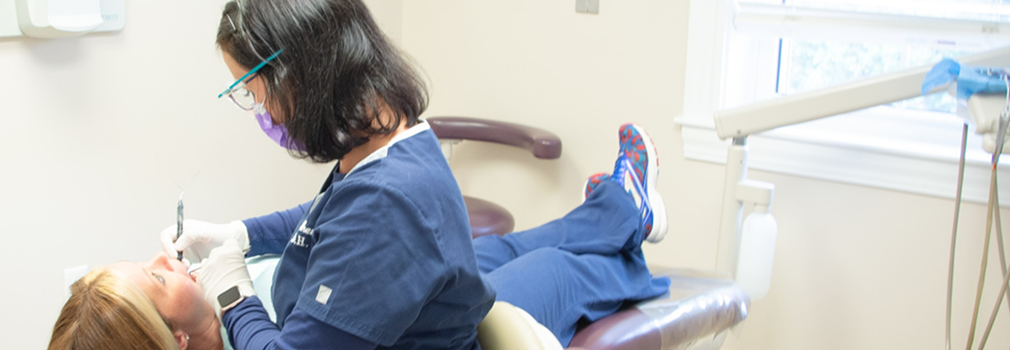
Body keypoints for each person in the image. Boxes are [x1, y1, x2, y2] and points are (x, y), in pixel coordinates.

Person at [49, 0, 670, 348]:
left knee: (504, 248)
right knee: (559, 269)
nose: (262, 111)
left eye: (255, 91)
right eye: (157, 278)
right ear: (176, 338)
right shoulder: (381, 165)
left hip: (407, 292)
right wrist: (232, 291)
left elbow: (331, 217)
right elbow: (350, 221)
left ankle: (619, 210)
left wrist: (240, 236)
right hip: (444, 321)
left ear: (303, 73)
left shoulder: (378, 172)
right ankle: (625, 222)